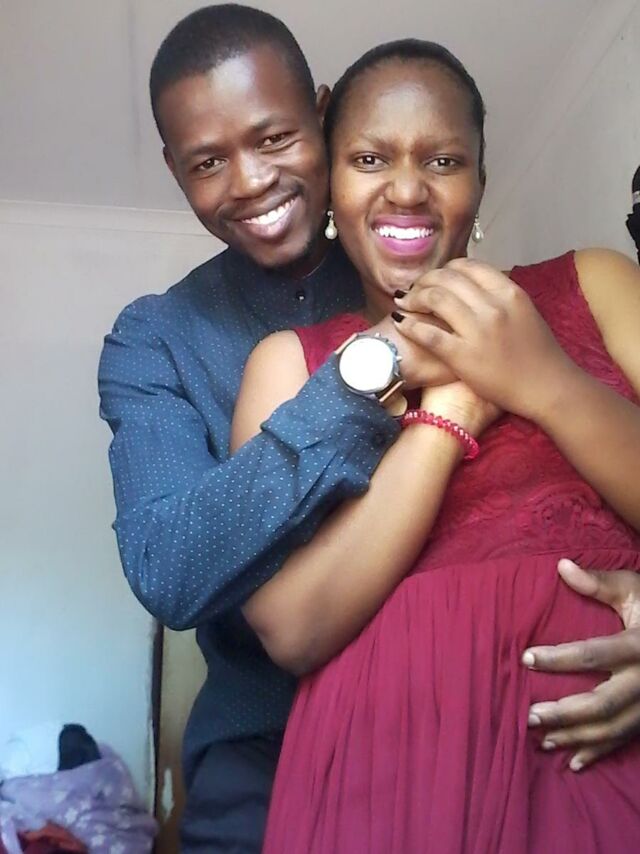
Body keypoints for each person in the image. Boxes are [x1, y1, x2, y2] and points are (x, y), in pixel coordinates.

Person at [98, 6, 640, 850]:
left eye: (274, 138)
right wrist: (394, 370)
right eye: (208, 161)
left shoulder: (556, 287)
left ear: (320, 122)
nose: (250, 180)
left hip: (573, 725)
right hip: (285, 745)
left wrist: (527, 372)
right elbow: (173, 567)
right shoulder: (165, 339)